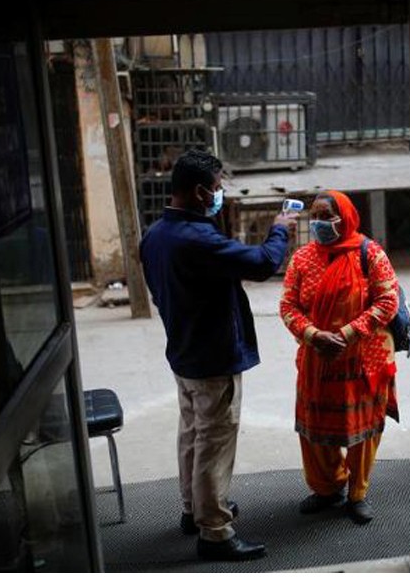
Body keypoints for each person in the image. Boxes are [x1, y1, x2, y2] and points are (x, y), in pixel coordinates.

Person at [140, 149, 297, 561]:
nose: (220, 194)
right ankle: (216, 531)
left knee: (193, 433)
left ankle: (194, 509)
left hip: (184, 352)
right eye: (216, 187)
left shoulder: (155, 235)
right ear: (197, 191)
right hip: (212, 358)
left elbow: (160, 293)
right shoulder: (199, 239)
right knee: (214, 442)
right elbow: (264, 263)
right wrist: (280, 228)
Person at [279, 190, 401, 524]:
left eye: (327, 215)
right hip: (317, 357)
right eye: (315, 216)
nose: (319, 222)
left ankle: (358, 492)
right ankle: (327, 487)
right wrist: (314, 335)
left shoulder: (370, 254)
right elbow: (288, 305)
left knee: (362, 428)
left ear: (345, 217)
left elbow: (387, 301)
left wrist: (347, 333)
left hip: (364, 357)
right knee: (315, 428)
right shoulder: (302, 259)